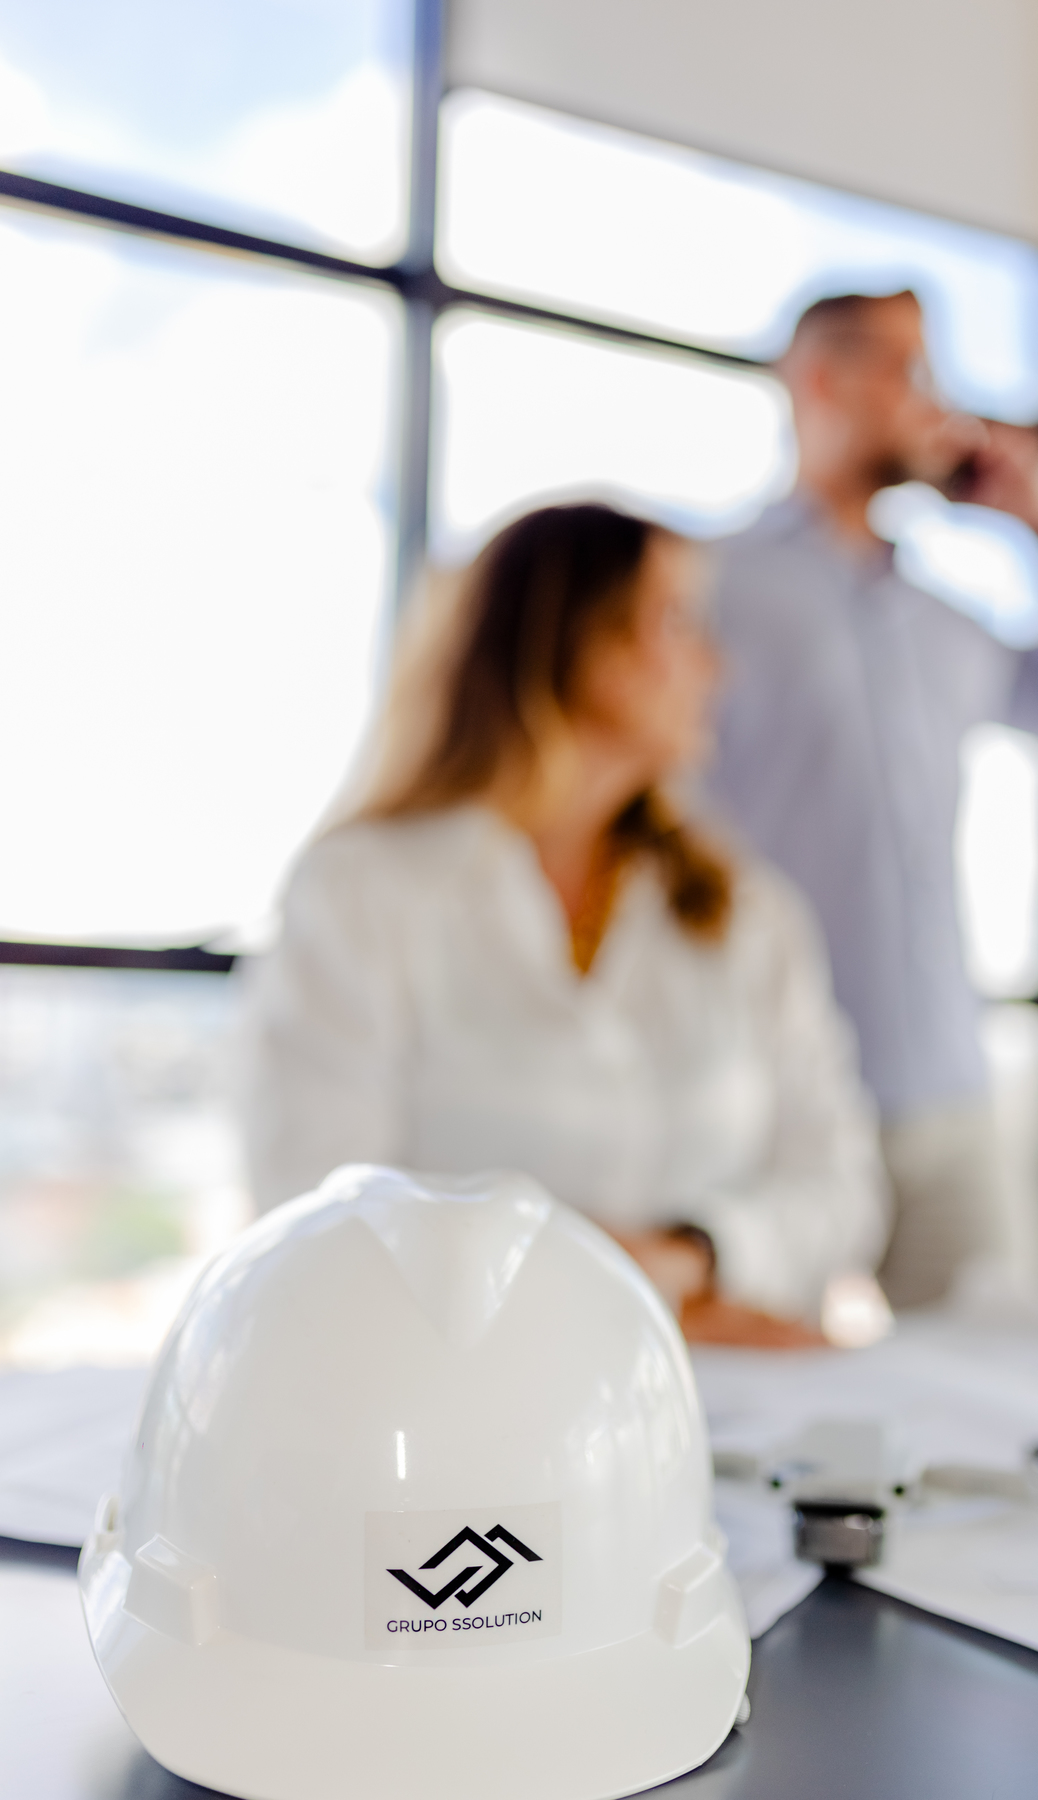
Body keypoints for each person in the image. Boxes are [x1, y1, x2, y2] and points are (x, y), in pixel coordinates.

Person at [242, 502, 888, 1347]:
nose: (716, 667)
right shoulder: (358, 894)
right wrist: (610, 1293)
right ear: (581, 644)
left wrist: (692, 1257)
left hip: (725, 1389)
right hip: (459, 1395)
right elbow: (316, 1205)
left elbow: (842, 1189)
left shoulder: (748, 914)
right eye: (678, 623)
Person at [707, 290, 1038, 1309]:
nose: (939, 404)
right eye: (911, 370)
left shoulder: (941, 620)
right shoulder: (713, 586)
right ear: (822, 379)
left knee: (1005, 1365)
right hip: (768, 1098)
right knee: (761, 1380)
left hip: (944, 1086)